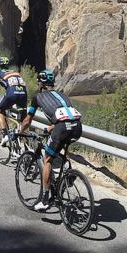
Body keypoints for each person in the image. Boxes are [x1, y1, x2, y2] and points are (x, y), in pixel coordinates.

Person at [17, 69, 82, 211]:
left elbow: (28, 120)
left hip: (62, 127)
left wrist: (20, 131)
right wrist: (52, 128)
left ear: (40, 84)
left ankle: (45, 199)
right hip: (77, 126)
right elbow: (66, 116)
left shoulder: (38, 97)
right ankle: (67, 172)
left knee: (47, 159)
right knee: (64, 146)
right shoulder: (63, 95)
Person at [0, 57, 27, 145]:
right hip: (23, 93)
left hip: (11, 94)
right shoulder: (16, 72)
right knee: (22, 119)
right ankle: (24, 142)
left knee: (0, 110)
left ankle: (4, 135)